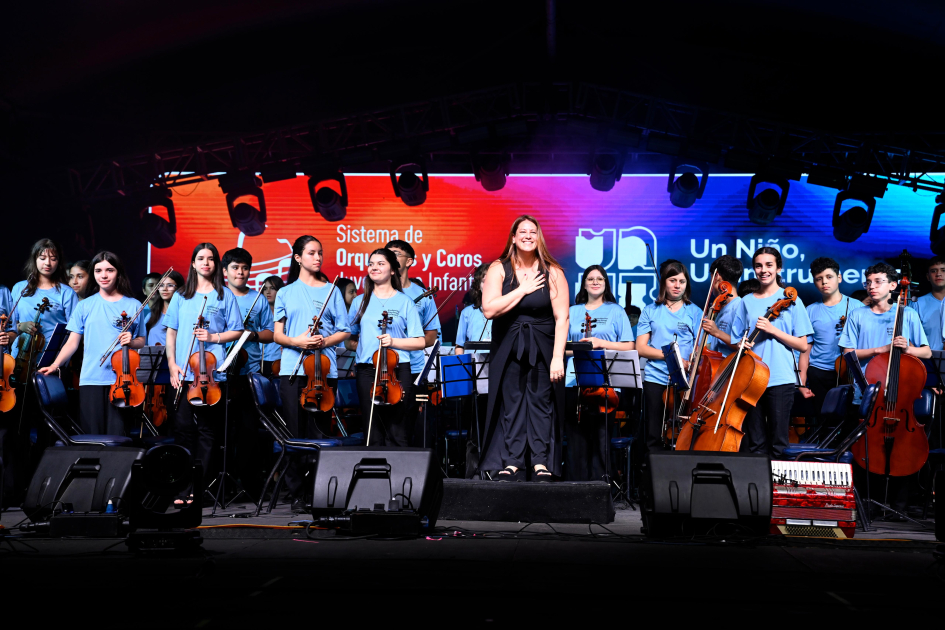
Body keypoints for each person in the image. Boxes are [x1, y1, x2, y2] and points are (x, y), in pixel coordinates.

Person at [480, 215, 569, 482]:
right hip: (508, 345)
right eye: (523, 232)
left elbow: (562, 318)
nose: (528, 236)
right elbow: (489, 310)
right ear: (514, 237)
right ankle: (513, 462)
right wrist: (523, 289)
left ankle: (541, 462)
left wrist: (557, 358)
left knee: (541, 403)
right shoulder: (499, 268)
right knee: (512, 403)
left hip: (543, 346)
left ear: (539, 237)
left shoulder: (553, 271)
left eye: (533, 232)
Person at [839, 262, 930, 518]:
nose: (872, 286)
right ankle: (869, 501)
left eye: (878, 281)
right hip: (866, 394)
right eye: (868, 282)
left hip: (900, 396)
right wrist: (881, 350)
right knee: (866, 448)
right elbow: (847, 353)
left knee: (902, 446)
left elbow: (925, 351)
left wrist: (908, 349)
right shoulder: (858, 314)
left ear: (893, 286)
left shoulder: (907, 314)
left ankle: (899, 503)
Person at [272, 237, 350, 511]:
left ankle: (319, 490)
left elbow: (344, 330)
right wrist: (298, 342)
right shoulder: (285, 292)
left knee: (319, 432)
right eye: (311, 253)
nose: (318, 257)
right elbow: (278, 335)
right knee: (294, 432)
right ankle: (297, 493)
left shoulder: (332, 290)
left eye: (320, 253)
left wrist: (323, 341)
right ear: (297, 258)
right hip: (292, 370)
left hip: (324, 370)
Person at [164, 243, 243, 505]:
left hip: (210, 375)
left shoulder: (224, 295)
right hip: (183, 374)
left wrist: (213, 337)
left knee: (208, 433)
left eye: (210, 259)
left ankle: (199, 489)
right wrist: (172, 364)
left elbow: (237, 330)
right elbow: (172, 332)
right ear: (193, 263)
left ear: (216, 264)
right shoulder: (181, 296)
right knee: (183, 430)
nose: (206, 263)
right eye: (201, 258)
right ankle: (182, 487)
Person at [39, 252, 146, 435]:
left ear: (118, 273)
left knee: (119, 436)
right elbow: (72, 342)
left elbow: (141, 341)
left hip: (123, 381)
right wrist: (55, 365)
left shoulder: (134, 305)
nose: (104, 275)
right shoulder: (84, 306)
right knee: (92, 436)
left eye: (109, 270)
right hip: (91, 377)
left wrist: (132, 341)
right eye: (98, 271)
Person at [730, 247, 813, 459]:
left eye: (769, 265)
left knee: (779, 443)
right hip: (751, 378)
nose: (763, 270)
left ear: (778, 268)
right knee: (755, 442)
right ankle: (758, 481)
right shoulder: (746, 301)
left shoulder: (792, 300)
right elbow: (736, 339)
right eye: (758, 266)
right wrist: (740, 344)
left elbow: (802, 345)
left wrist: (773, 330)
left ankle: (777, 481)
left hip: (780, 378)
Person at [345, 249, 424, 447]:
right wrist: (364, 348)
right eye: (371, 264)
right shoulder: (359, 301)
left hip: (397, 370)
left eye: (381, 264)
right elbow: (348, 339)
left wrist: (393, 342)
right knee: (372, 430)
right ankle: (373, 466)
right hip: (367, 370)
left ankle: (398, 467)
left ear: (392, 270)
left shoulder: (405, 302)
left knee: (397, 430)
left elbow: (420, 341)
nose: (374, 267)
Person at [565, 265, 633, 481]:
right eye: (591, 279)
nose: (595, 282)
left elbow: (629, 345)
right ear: (584, 284)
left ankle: (601, 486)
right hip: (574, 380)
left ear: (605, 284)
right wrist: (580, 348)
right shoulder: (573, 311)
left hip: (607, 382)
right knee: (576, 438)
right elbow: (561, 347)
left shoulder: (616, 311)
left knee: (602, 437)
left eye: (600, 279)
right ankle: (576, 485)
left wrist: (600, 343)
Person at [636, 261, 703, 453]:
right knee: (653, 434)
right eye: (672, 280)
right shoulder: (650, 310)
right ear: (664, 282)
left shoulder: (695, 312)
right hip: (655, 378)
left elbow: (700, 349)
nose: (677, 285)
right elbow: (641, 347)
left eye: (681, 281)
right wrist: (671, 358)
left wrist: (690, 363)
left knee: (684, 433)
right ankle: (654, 471)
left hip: (684, 381)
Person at [385, 239, 441, 446]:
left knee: (406, 423)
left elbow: (431, 335)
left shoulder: (422, 295)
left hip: (413, 367)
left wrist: (406, 344)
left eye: (396, 254)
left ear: (409, 261)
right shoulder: (377, 291)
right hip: (381, 366)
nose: (390, 257)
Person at [799, 257, 866, 419]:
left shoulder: (857, 307)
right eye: (819, 279)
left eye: (829, 277)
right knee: (823, 420)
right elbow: (805, 350)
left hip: (849, 373)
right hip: (819, 372)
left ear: (839, 278)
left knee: (850, 420)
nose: (824, 282)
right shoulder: (810, 310)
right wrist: (801, 383)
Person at [4, 239, 79, 377]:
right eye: (42, 258)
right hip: (19, 359)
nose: (48, 263)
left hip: (51, 361)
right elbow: (9, 326)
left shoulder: (67, 293)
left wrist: (58, 363)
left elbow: (74, 332)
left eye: (53, 259)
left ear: (59, 262)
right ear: (35, 260)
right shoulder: (20, 288)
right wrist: (21, 326)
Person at [700, 255, 743, 359]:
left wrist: (717, 332)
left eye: (711, 278)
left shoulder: (739, 307)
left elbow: (743, 345)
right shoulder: (720, 307)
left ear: (717, 277)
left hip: (729, 367)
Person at [455, 264, 493, 354]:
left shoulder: (505, 311)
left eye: (491, 281)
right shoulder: (467, 313)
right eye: (484, 281)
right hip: (473, 361)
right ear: (478, 286)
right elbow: (459, 346)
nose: (488, 285)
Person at [143, 270, 184, 346]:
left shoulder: (184, 316)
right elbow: (142, 344)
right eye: (161, 285)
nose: (164, 289)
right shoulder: (151, 316)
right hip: (153, 353)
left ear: (179, 288)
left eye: (170, 285)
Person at [913, 256, 945, 351]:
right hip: (928, 358)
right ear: (928, 277)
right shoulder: (917, 304)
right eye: (934, 271)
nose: (938, 274)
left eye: (943, 270)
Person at [260, 275, 286, 376]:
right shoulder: (258, 313)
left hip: (280, 360)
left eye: (272, 288)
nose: (268, 292)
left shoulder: (286, 313)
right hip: (260, 360)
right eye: (265, 288)